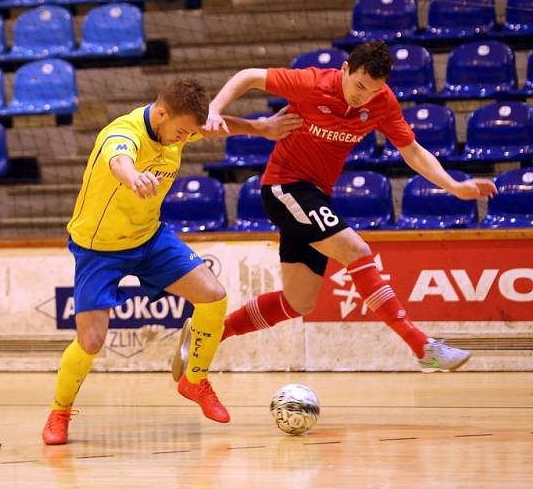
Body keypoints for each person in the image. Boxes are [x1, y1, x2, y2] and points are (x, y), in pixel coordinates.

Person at [172, 40, 497, 382]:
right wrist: (214, 110)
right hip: (285, 187)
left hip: (315, 196)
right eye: (359, 85)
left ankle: (208, 335)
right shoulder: (313, 83)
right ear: (345, 70)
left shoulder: (382, 102)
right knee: (357, 251)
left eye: (373, 90)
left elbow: (412, 151)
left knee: (298, 302)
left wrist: (454, 186)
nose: (363, 96)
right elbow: (250, 75)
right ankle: (423, 347)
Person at [41, 77, 302, 445]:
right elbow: (118, 159)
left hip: (148, 237)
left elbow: (218, 124)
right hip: (98, 248)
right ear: (161, 113)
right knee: (91, 341)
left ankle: (194, 379)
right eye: (180, 132)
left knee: (213, 295)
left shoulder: (179, 127)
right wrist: (131, 176)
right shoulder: (122, 133)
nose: (183, 139)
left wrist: (261, 128)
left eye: (188, 134)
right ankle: (60, 411)